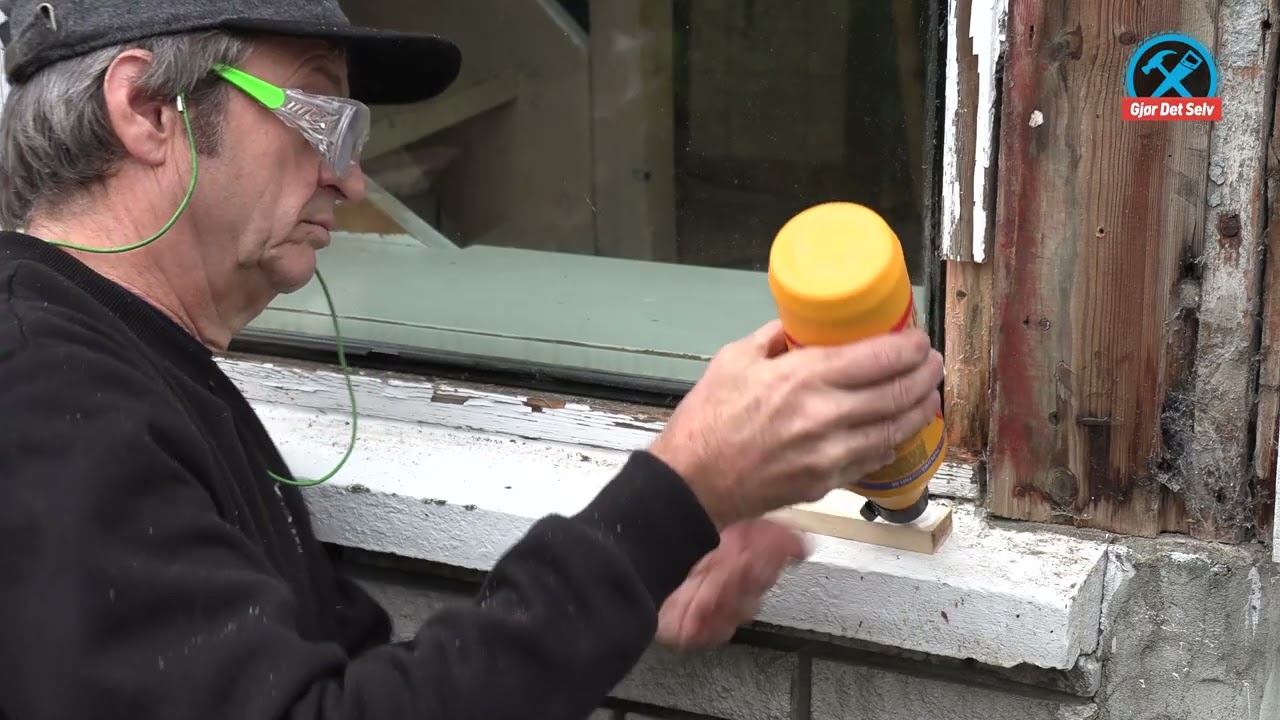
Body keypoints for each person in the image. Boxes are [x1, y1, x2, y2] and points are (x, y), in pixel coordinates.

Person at [0, 1, 944, 718]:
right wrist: (681, 491)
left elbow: (335, 687)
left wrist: (638, 564)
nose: (351, 178)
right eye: (323, 118)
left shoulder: (120, 363)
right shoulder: (43, 402)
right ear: (147, 109)